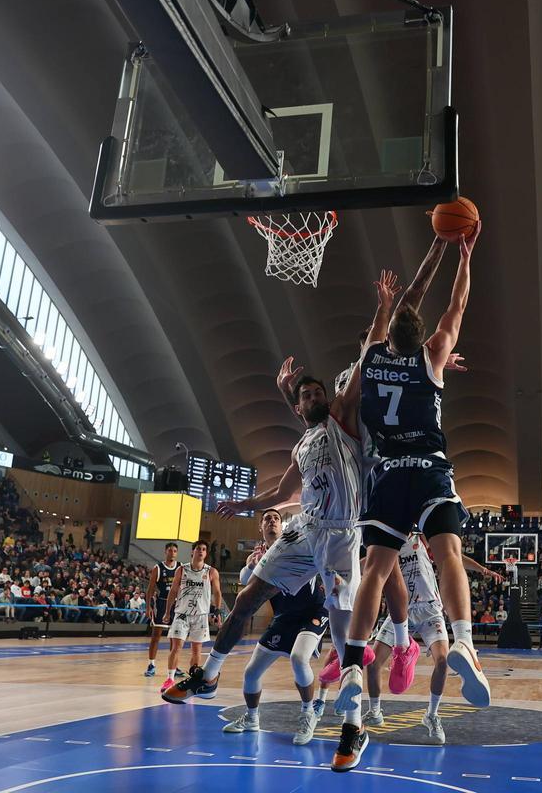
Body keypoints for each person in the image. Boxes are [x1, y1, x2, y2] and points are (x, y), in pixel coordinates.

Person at [165, 270, 402, 724]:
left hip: (341, 535)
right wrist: (246, 506)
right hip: (304, 530)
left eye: (319, 391)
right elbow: (282, 491)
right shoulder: (302, 443)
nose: (315, 395)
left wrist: (384, 308)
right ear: (297, 407)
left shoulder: (344, 420)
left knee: (342, 628)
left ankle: (352, 720)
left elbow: (370, 352)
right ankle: (210, 675)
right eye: (306, 394)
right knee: (248, 597)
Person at [334, 223, 486, 772]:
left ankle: (353, 662)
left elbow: (398, 313)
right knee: (446, 552)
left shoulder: (371, 358)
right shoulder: (433, 355)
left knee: (374, 571)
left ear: (385, 331)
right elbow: (457, 304)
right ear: (423, 339)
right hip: (428, 468)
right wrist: (464, 255)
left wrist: (391, 295)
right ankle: (465, 641)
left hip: (385, 475)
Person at [362, 535, 502, 745]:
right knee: (373, 665)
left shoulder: (422, 537)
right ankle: (375, 711)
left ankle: (432, 715)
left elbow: (452, 556)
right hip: (400, 610)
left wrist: (482, 569)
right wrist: (343, 570)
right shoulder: (389, 538)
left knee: (443, 661)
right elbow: (368, 563)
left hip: (430, 610)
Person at [222, 509, 334, 745]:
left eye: (276, 518)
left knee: (298, 658)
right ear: (260, 528)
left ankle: (308, 714)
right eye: (267, 519)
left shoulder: (297, 542)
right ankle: (252, 718)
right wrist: (250, 566)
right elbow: (244, 581)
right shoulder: (259, 558)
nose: (272, 521)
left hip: (312, 611)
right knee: (251, 673)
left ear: (282, 526)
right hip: (283, 617)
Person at [161, 542, 224, 692]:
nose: (201, 551)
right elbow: (173, 591)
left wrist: (217, 611)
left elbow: (217, 593)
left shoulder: (211, 572)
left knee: (196, 650)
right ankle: (170, 679)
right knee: (176, 647)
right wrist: (167, 611)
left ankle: (193, 680)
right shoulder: (182, 570)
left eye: (204, 549)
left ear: (206, 554)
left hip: (201, 616)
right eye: (198, 549)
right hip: (182, 614)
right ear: (192, 552)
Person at [143, 543, 180, 677]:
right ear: (165, 551)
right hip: (161, 604)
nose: (173, 553)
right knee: (156, 636)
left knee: (175, 638)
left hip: (177, 605)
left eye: (175, 551)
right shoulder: (158, 568)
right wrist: (148, 607)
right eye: (170, 550)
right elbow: (150, 589)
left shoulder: (180, 568)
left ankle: (174, 665)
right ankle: (151, 664)